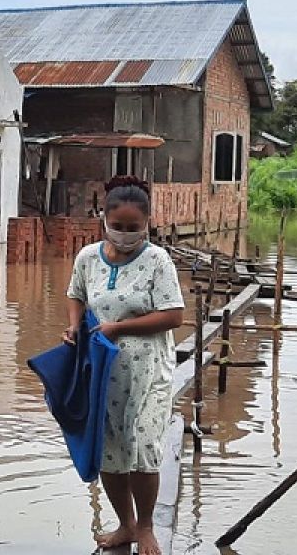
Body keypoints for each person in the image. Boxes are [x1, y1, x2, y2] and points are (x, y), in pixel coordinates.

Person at [64, 176, 185, 555]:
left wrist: (121, 327)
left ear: (148, 224)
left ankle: (147, 526)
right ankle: (125, 525)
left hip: (150, 370)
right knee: (111, 449)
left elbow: (175, 315)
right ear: (104, 220)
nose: (125, 234)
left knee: (145, 446)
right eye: (118, 227)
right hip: (105, 372)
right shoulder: (87, 258)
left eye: (134, 228)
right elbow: (76, 295)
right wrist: (73, 326)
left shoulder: (157, 261)